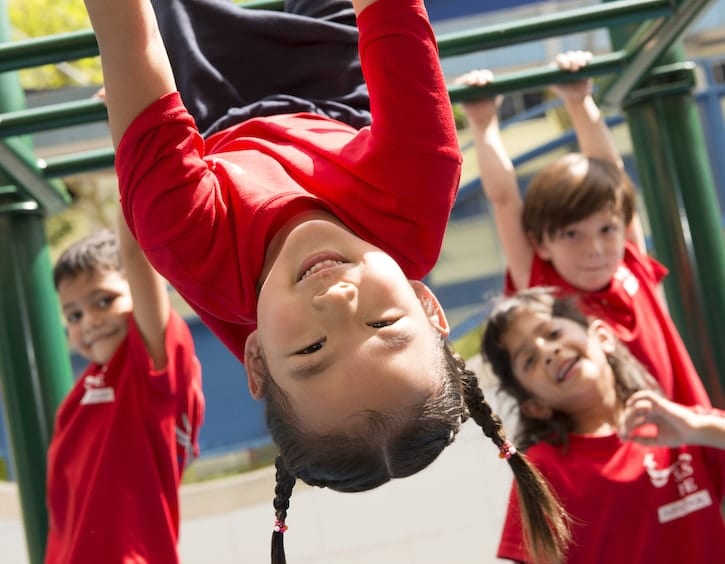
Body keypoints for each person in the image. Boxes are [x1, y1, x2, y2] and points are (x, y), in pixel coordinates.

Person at [81, 0, 570, 561]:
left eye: (313, 348)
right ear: (424, 302)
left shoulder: (186, 239)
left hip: (203, 116)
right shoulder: (416, 193)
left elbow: (127, 34)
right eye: (383, 322)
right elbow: (392, 14)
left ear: (257, 358)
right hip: (337, 92)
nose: (338, 302)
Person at [458, 51, 711, 408]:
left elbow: (611, 175)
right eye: (572, 234)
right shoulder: (550, 294)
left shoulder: (628, 260)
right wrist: (483, 125)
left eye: (606, 229)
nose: (595, 248)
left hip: (685, 440)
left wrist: (580, 102)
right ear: (541, 244)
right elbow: (504, 200)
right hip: (625, 451)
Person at [481, 287, 725, 564]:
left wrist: (698, 429)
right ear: (535, 406)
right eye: (529, 360)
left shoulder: (684, 426)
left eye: (552, 333)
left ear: (602, 336)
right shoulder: (542, 470)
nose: (548, 352)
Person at [46, 213, 205, 563]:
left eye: (104, 300)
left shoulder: (149, 369)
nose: (90, 321)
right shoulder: (75, 403)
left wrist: (128, 164)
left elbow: (135, 255)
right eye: (73, 315)